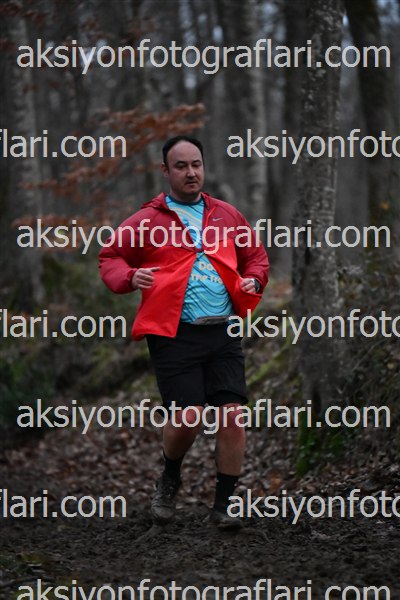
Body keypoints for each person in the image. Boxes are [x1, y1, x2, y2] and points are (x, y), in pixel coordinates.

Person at [99, 135, 269, 530]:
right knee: (188, 416)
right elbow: (110, 256)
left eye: (196, 164)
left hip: (223, 330)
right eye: (181, 166)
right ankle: (170, 474)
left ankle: (223, 506)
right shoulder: (147, 220)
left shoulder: (226, 214)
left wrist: (253, 281)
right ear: (166, 171)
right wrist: (130, 276)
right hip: (173, 333)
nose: (191, 172)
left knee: (233, 416)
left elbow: (256, 258)